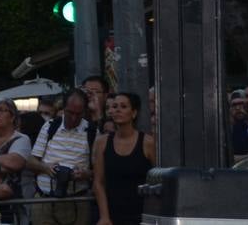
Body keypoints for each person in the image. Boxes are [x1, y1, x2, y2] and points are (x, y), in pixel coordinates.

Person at [25, 88, 93, 223]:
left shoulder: (93, 132)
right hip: (45, 200)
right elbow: (31, 162)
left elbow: (99, 171)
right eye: (70, 113)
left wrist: (85, 174)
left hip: (77, 201)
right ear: (64, 108)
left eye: (78, 114)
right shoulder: (50, 126)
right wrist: (46, 168)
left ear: (84, 111)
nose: (73, 118)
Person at [92, 92, 154, 225]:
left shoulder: (148, 142)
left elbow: (158, 180)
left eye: (123, 106)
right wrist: (104, 216)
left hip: (141, 215)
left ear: (134, 113)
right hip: (111, 215)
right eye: (114, 106)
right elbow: (98, 182)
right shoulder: (102, 142)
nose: (117, 110)